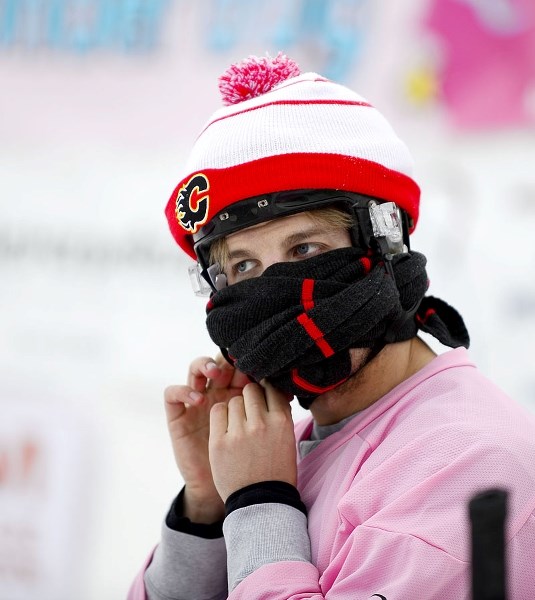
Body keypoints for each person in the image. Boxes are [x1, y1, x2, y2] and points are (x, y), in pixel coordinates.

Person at [128, 53, 535, 599]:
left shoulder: (468, 464)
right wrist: (210, 503)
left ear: (384, 245)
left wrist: (260, 501)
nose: (270, 290)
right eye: (243, 266)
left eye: (305, 247)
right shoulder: (298, 446)